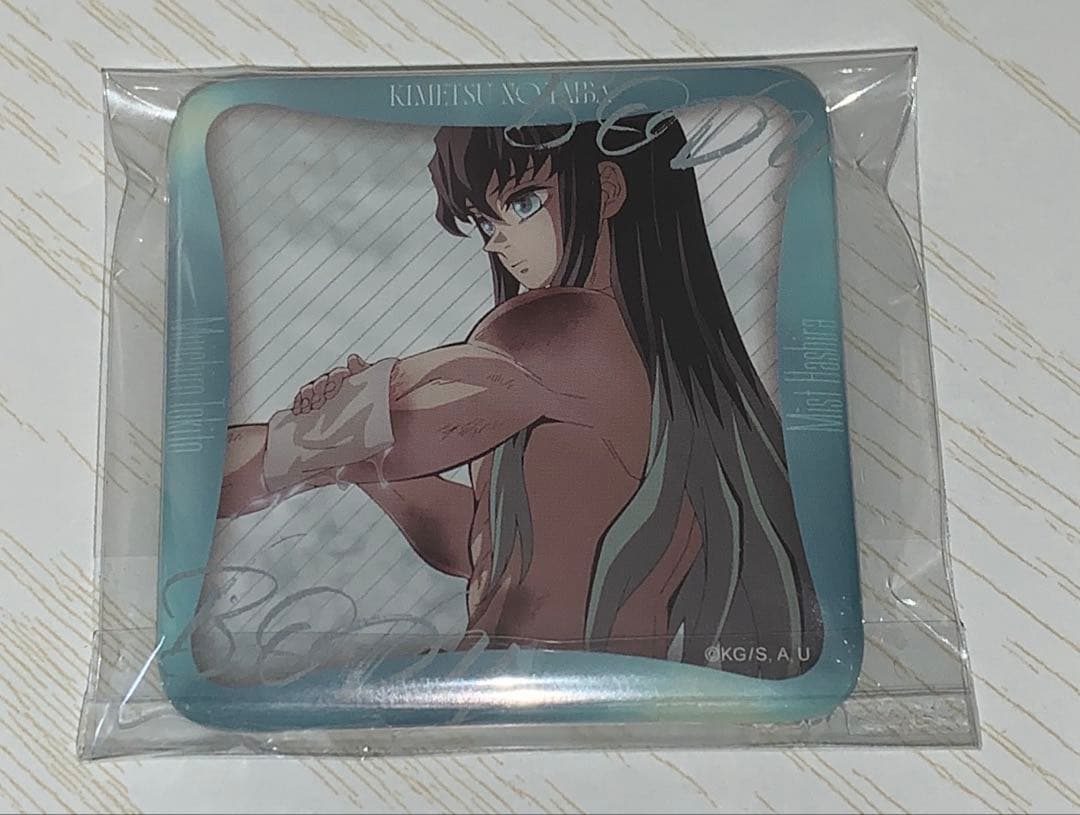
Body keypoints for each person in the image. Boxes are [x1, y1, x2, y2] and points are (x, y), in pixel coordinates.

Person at [214, 115, 822, 678]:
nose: (494, 242)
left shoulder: (565, 334)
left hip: (545, 682)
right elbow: (487, 547)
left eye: (523, 203)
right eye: (485, 221)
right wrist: (360, 464)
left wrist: (327, 431)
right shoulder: (654, 361)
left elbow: (290, 455)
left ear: (607, 188)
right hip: (573, 689)